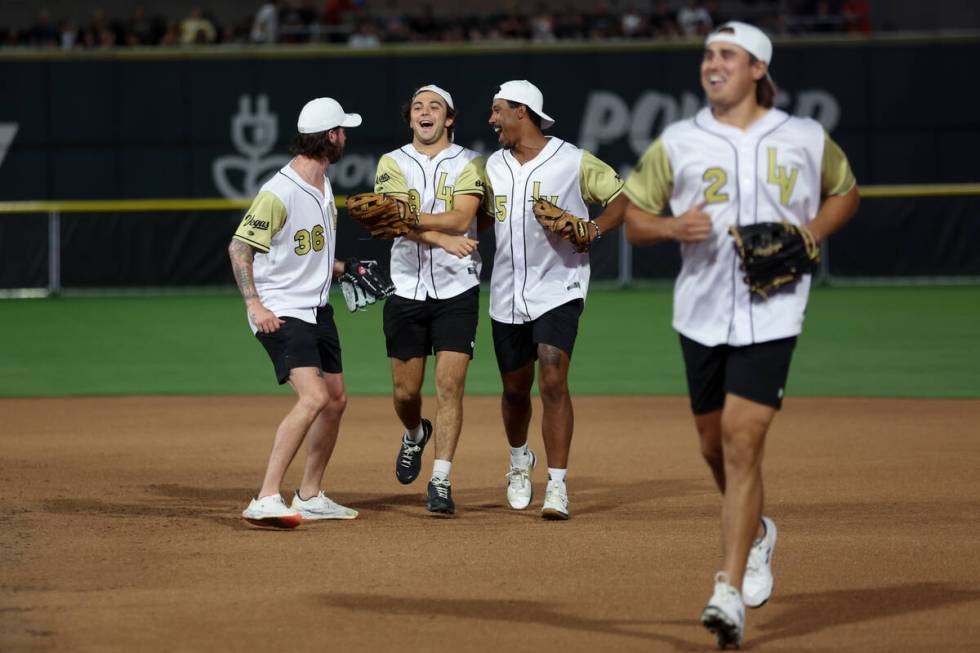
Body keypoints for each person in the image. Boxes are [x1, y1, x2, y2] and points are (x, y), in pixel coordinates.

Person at [622, 22, 859, 648]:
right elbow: (636, 220)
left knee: (741, 436)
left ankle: (727, 587)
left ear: (758, 68)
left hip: (775, 307)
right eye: (708, 54)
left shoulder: (804, 137)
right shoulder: (679, 141)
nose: (712, 63)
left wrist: (810, 235)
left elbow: (846, 192)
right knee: (711, 445)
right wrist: (672, 228)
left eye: (727, 54)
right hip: (700, 311)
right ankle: (755, 531)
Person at [484, 80, 629, 520]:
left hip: (559, 286)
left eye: (497, 111)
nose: (492, 120)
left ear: (521, 112)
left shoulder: (573, 161)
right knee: (514, 390)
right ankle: (518, 460)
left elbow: (622, 200)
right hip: (506, 292)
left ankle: (558, 486)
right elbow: (481, 218)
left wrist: (594, 228)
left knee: (551, 377)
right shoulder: (492, 166)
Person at [229, 97, 364, 528]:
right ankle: (266, 496)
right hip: (282, 310)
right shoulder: (280, 190)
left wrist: (345, 270)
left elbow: (306, 251)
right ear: (329, 137)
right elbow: (239, 248)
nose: (346, 137)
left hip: (318, 309)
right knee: (315, 397)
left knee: (336, 400)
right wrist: (254, 303)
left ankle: (310, 495)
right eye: (342, 131)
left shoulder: (324, 186)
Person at [373, 84, 484, 515]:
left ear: (449, 118)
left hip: (458, 287)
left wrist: (402, 218)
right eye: (418, 106)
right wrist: (439, 237)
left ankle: (440, 479)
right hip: (405, 287)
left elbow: (462, 216)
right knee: (405, 393)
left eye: (434, 106)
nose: (425, 112)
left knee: (450, 386)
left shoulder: (472, 162)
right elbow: (406, 221)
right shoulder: (392, 162)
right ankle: (416, 434)